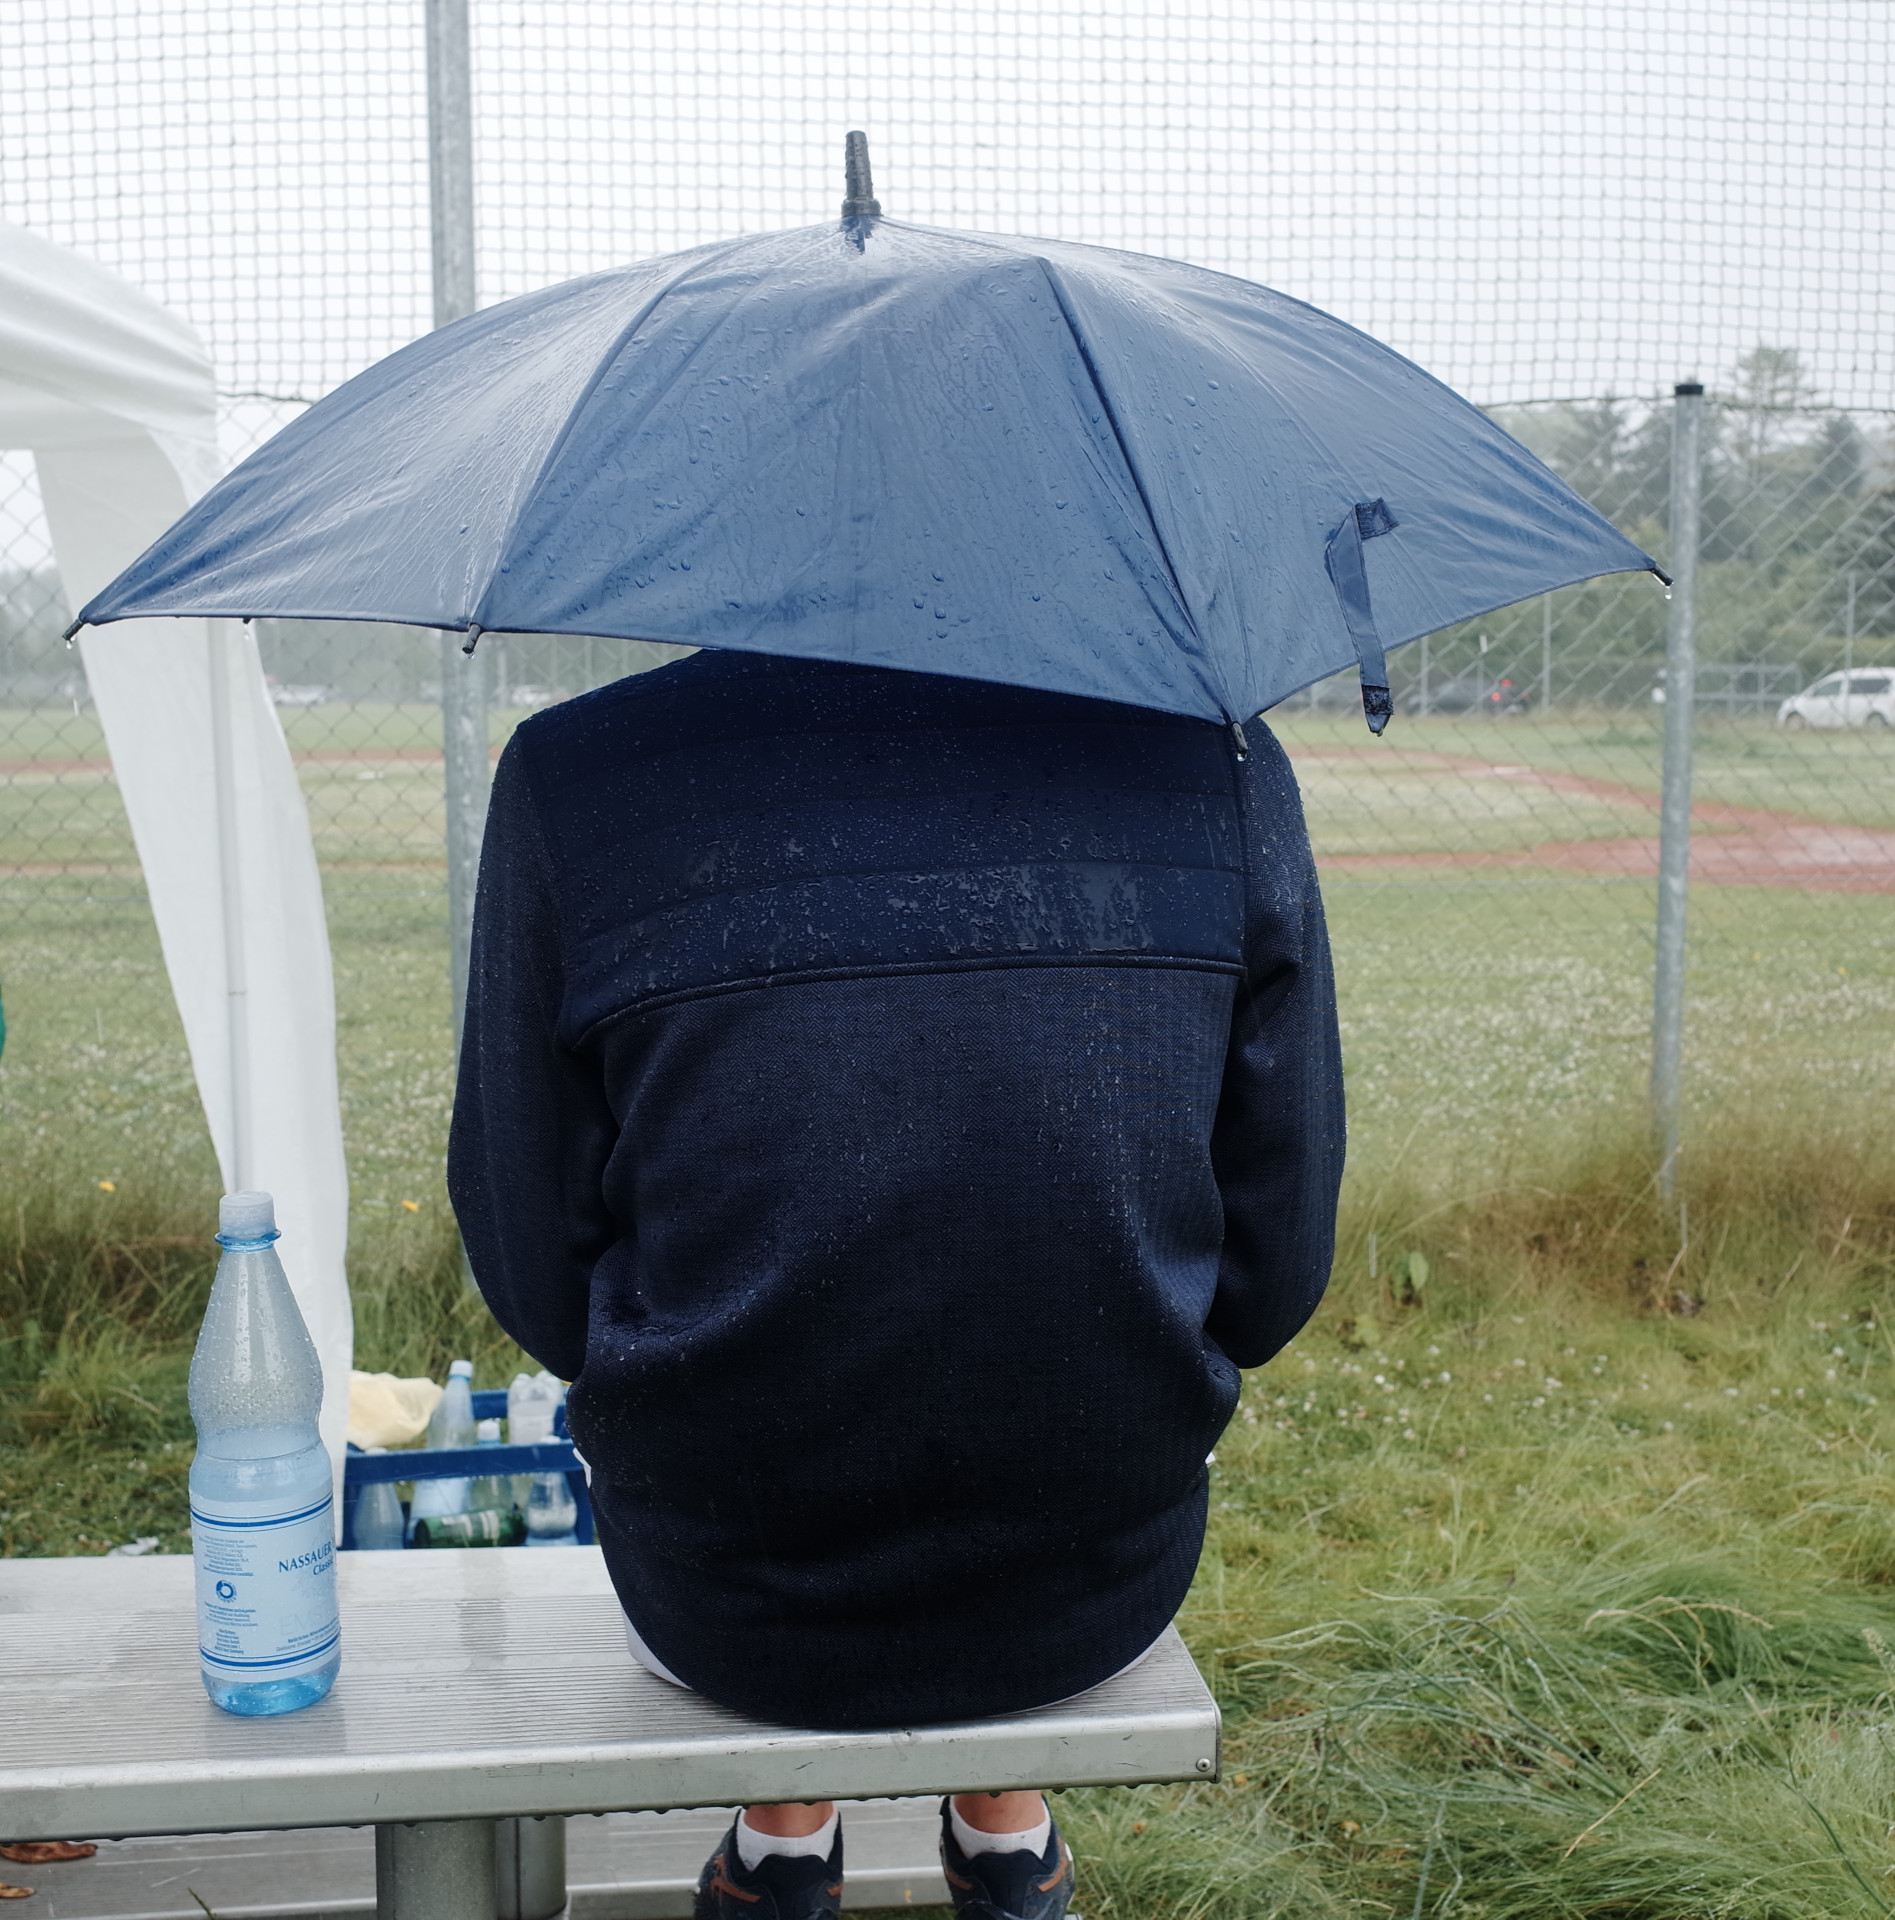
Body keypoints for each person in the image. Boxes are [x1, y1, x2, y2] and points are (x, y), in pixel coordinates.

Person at [449, 649, 1343, 1920]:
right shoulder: (1219, 761)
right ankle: (1000, 1828)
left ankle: (784, 1841)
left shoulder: (573, 773)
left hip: (724, 1586)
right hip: (1090, 1574)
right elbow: (1278, 1265)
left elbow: (530, 1261)